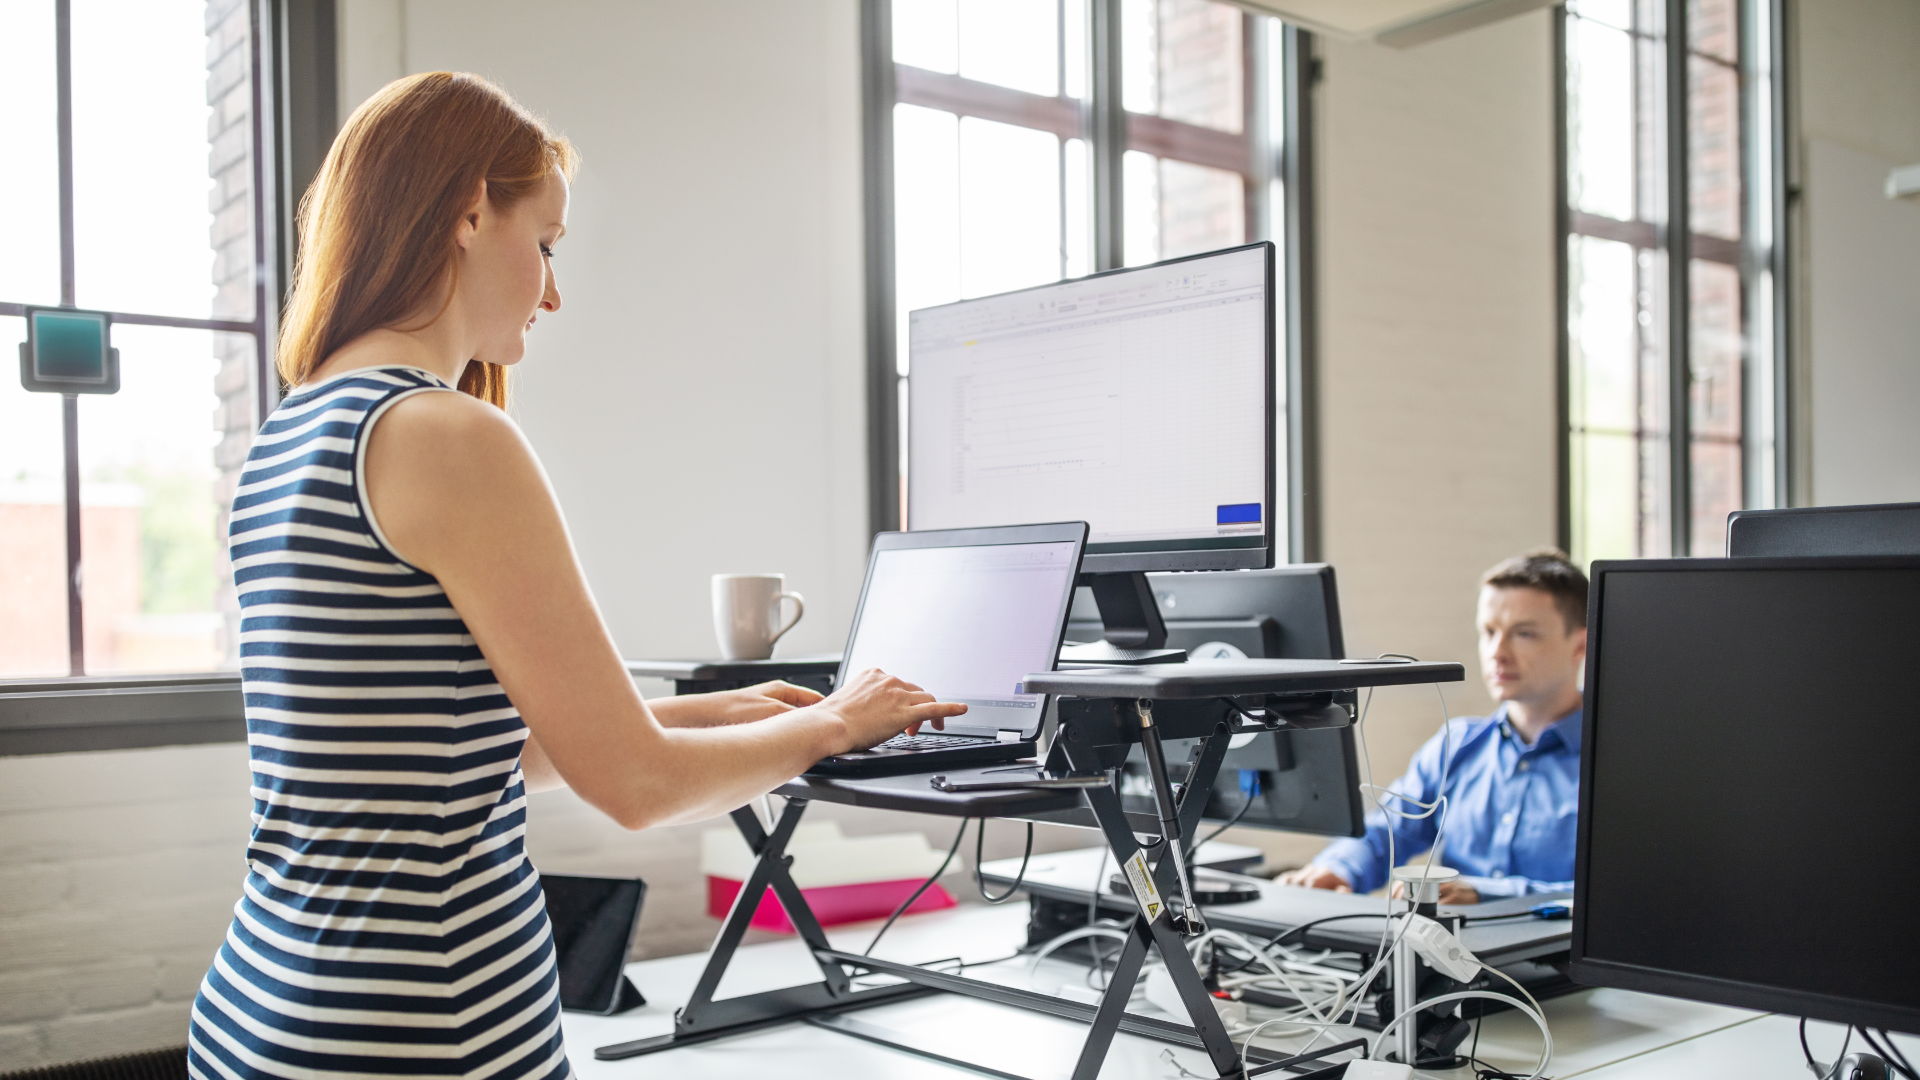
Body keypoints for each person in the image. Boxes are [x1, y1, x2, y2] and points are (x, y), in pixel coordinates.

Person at [186, 73, 964, 1080]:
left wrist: (723, 717)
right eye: (546, 244)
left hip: (268, 1010)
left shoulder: (291, 435)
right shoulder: (446, 434)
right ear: (471, 209)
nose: (554, 291)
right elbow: (634, 789)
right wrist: (837, 724)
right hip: (420, 1029)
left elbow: (481, 754)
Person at [1279, 550, 1589, 905]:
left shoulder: (1621, 766)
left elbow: (1620, 895)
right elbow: (1388, 831)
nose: (1497, 652)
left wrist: (1486, 894)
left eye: (1524, 634)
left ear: (1580, 645)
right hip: (1450, 956)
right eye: (1488, 632)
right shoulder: (1457, 745)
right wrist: (1339, 869)